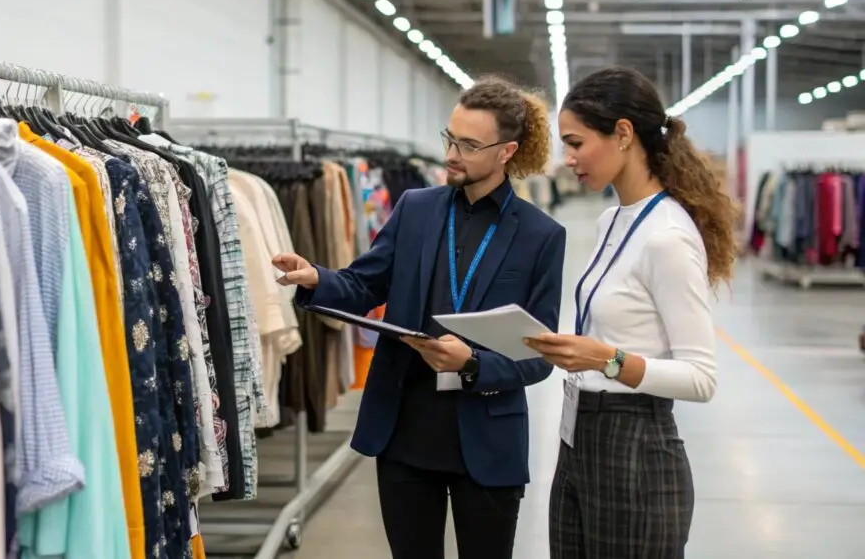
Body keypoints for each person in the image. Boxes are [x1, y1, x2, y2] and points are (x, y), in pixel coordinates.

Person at [273, 76, 566, 559]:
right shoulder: (416, 209)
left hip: (487, 440)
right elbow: (364, 285)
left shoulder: (541, 235)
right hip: (405, 433)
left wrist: (472, 363)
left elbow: (539, 356)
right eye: (450, 138)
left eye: (469, 145)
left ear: (507, 151)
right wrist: (316, 279)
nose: (452, 153)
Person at [525, 66, 739, 559]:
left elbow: (700, 377)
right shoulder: (610, 220)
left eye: (576, 143)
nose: (568, 158)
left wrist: (606, 358)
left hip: (636, 448)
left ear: (623, 133)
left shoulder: (667, 237)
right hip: (579, 438)